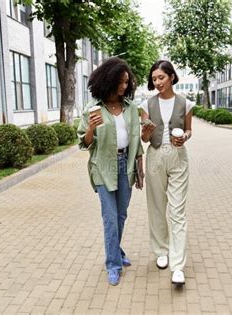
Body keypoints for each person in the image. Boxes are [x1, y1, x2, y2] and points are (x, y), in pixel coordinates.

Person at [77, 57, 144, 286]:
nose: (123, 86)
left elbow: (136, 138)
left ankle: (117, 251)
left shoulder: (131, 108)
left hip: (125, 166)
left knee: (121, 215)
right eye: (120, 81)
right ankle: (113, 264)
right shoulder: (93, 109)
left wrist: (139, 166)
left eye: (127, 82)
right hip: (103, 167)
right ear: (108, 80)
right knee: (110, 219)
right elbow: (85, 144)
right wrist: (90, 129)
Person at [140, 60, 194, 285]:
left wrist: (185, 137)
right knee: (156, 207)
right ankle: (161, 251)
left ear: (172, 76)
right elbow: (143, 139)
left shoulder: (186, 103)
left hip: (178, 157)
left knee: (177, 211)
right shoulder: (145, 105)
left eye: (161, 77)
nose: (157, 82)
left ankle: (178, 265)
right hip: (154, 156)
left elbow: (190, 130)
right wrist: (145, 132)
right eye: (154, 79)